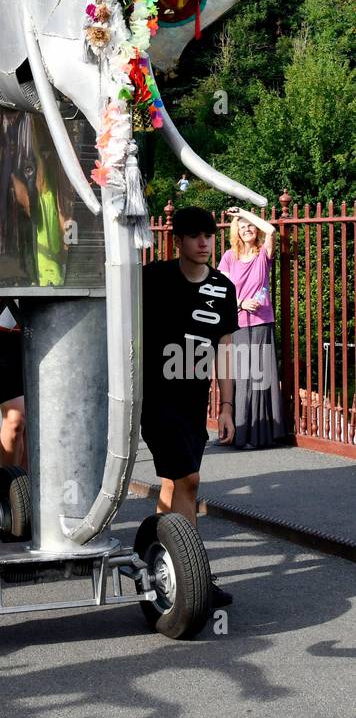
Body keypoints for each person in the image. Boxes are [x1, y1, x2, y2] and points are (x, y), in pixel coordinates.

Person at [140, 206, 238, 608]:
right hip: (155, 396)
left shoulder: (223, 288)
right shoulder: (152, 279)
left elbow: (227, 350)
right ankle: (193, 578)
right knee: (189, 480)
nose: (203, 243)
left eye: (209, 235)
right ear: (176, 240)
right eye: (194, 236)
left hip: (194, 400)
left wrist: (227, 406)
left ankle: (162, 561)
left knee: (173, 483)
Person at [218, 207, 287, 449]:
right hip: (236, 322)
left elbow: (271, 229)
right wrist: (239, 302)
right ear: (236, 231)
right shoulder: (228, 257)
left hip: (261, 322)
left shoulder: (263, 255)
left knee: (260, 378)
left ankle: (259, 436)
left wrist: (245, 211)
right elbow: (220, 291)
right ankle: (238, 433)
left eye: (250, 225)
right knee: (242, 378)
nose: (247, 229)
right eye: (242, 226)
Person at [0, 302, 27, 469]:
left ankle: (27, 490)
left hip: (46, 321)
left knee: (31, 422)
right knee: (15, 418)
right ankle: (9, 486)